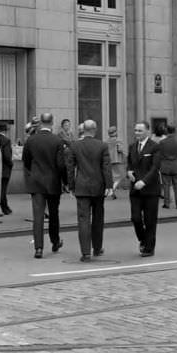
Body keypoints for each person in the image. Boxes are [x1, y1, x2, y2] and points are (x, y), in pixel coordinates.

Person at [66, 119, 113, 262]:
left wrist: (71, 186)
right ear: (95, 130)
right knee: (98, 219)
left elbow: (70, 168)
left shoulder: (75, 146)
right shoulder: (102, 146)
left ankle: (85, 252)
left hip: (81, 186)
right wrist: (109, 186)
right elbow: (106, 167)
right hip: (98, 186)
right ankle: (97, 248)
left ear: (83, 130)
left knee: (83, 220)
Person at [22, 112, 66, 259]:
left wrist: (34, 172)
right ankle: (55, 241)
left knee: (38, 216)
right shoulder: (57, 141)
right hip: (53, 181)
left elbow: (26, 160)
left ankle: (38, 248)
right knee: (54, 214)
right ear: (52, 123)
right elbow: (61, 165)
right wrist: (65, 181)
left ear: (40, 122)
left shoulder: (31, 140)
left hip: (36, 181)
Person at [128, 121, 163, 258]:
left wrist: (144, 181)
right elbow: (130, 163)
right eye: (136, 130)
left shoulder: (155, 147)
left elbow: (155, 168)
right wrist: (129, 172)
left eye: (140, 131)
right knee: (135, 218)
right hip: (135, 190)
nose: (137, 133)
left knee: (150, 220)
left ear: (147, 131)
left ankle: (149, 248)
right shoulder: (132, 146)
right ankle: (142, 239)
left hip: (150, 190)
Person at [159, 126, 177, 209]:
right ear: (175, 131)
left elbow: (160, 153)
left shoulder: (162, 142)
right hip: (176, 166)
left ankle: (167, 203)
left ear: (167, 131)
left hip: (165, 166)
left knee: (166, 186)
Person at [0, 123, 13, 215]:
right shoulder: (6, 140)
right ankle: (1, 208)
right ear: (6, 130)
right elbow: (7, 156)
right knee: (2, 190)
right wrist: (11, 164)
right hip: (5, 168)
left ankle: (5, 207)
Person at [107, 125, 126, 199]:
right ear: (115, 132)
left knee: (113, 176)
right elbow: (120, 149)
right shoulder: (118, 140)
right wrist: (124, 153)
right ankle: (112, 190)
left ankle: (112, 193)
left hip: (109, 160)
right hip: (117, 160)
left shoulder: (107, 141)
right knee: (120, 176)